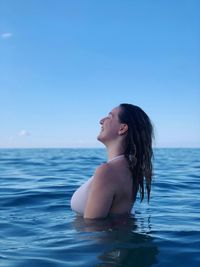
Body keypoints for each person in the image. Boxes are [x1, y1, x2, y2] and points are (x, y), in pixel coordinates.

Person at [71, 103, 154, 219]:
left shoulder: (107, 171)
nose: (101, 121)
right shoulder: (130, 169)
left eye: (109, 117)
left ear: (122, 128)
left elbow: (93, 227)